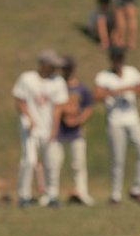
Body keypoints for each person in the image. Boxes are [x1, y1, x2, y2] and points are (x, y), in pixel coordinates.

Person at [93, 46, 140, 205]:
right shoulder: (103, 76)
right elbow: (97, 95)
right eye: (116, 58)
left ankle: (137, 188)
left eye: (121, 58)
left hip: (133, 119)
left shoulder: (132, 72)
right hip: (115, 121)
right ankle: (115, 194)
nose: (119, 61)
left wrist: (134, 89)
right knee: (117, 158)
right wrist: (116, 91)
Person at [12, 49, 68, 207]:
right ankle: (24, 195)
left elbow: (59, 107)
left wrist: (54, 128)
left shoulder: (58, 82)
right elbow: (19, 100)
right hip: (30, 127)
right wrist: (28, 118)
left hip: (48, 127)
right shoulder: (27, 78)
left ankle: (53, 195)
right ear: (44, 64)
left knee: (52, 161)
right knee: (29, 160)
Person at [59, 56, 95, 206]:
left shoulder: (81, 88)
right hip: (58, 131)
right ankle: (51, 193)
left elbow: (88, 107)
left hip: (76, 131)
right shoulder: (57, 85)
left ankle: (82, 192)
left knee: (78, 163)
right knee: (54, 163)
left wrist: (79, 120)